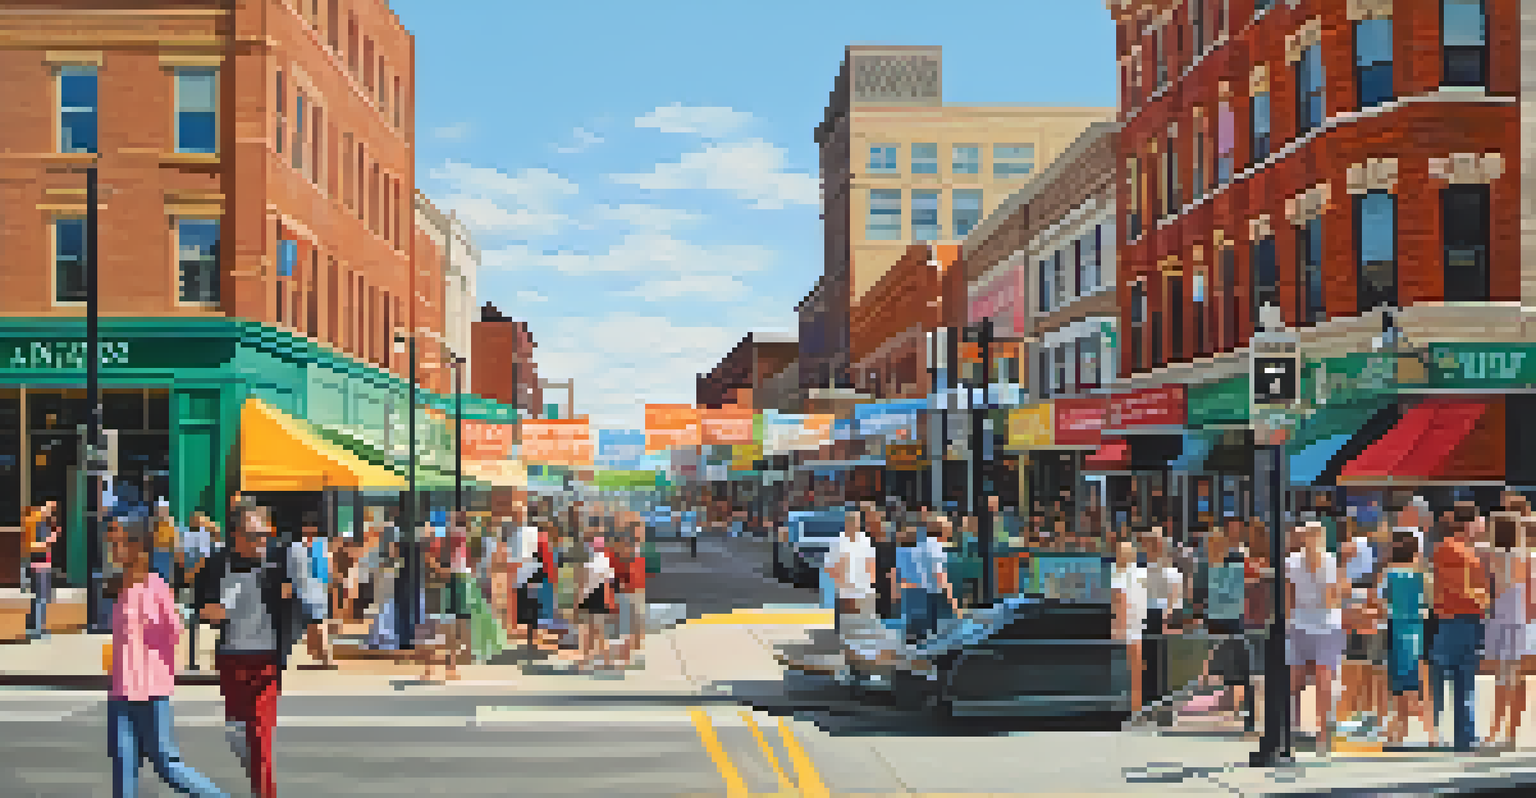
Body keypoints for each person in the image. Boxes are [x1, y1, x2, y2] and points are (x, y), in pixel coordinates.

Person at [193, 499, 320, 798]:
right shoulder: (217, 562)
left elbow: (308, 595)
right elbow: (200, 605)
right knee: (237, 735)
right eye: (254, 536)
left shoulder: (281, 558)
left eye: (265, 534)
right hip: (230, 659)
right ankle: (258, 786)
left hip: (266, 661)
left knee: (260, 738)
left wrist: (302, 606)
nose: (262, 541)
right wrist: (212, 612)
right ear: (236, 535)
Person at [106, 515, 228, 798]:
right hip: (120, 690)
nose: (113, 549)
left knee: (166, 763)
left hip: (150, 690)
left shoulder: (155, 586)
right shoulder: (120, 585)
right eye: (111, 543)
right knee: (123, 764)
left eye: (118, 543)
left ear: (136, 546)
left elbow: (176, 630)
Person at [1428, 502, 1490, 752]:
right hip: (1459, 619)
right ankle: (1460, 736)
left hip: (1462, 619)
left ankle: (1464, 735)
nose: (1482, 525)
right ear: (1469, 523)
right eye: (1479, 520)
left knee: (1459, 679)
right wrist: (1485, 600)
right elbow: (1458, 588)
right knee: (1458, 677)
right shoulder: (1453, 549)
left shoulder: (1461, 549)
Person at [1287, 520, 1345, 755]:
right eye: (1306, 536)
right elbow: (1289, 595)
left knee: (1323, 679)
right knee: (1294, 679)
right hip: (1299, 624)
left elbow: (1331, 600)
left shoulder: (1329, 561)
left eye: (1314, 535)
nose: (1309, 540)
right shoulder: (1291, 562)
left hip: (1326, 625)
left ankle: (1323, 734)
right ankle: (1291, 728)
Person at [1381, 529, 1434, 747]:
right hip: (1419, 629)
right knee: (1421, 685)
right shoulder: (1422, 573)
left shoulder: (1388, 573)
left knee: (1398, 686)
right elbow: (1430, 601)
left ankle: (1398, 731)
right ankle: (1431, 733)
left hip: (1396, 629)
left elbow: (1381, 601)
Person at [1486, 514, 1528, 749]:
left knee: (1503, 679)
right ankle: (1509, 734)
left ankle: (1495, 733)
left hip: (1503, 621)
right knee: (1513, 678)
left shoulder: (1498, 557)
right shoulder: (1523, 556)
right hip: (1518, 620)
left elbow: (1501, 586)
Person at [1112, 539, 1149, 715]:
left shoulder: (1119, 575)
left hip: (1128, 626)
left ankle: (1128, 708)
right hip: (1141, 624)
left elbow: (1120, 601)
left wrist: (1118, 627)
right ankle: (1137, 708)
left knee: (1126, 669)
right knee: (1137, 670)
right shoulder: (1143, 573)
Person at [297, 514, 334, 669]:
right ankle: (319, 655)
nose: (308, 530)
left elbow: (328, 569)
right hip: (307, 591)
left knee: (319, 624)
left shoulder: (321, 546)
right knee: (312, 625)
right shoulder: (301, 547)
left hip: (318, 590)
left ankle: (324, 656)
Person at [25, 500, 59, 640]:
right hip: (39, 566)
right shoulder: (36, 524)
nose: (52, 513)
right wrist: (50, 539)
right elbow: (33, 546)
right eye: (50, 509)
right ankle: (38, 629)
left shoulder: (45, 525)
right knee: (40, 599)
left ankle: (35, 627)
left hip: (44, 565)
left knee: (41, 598)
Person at [151, 500, 179, 586]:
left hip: (167, 554)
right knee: (156, 575)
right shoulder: (154, 523)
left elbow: (175, 541)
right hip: (157, 553)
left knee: (166, 576)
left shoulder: (170, 523)